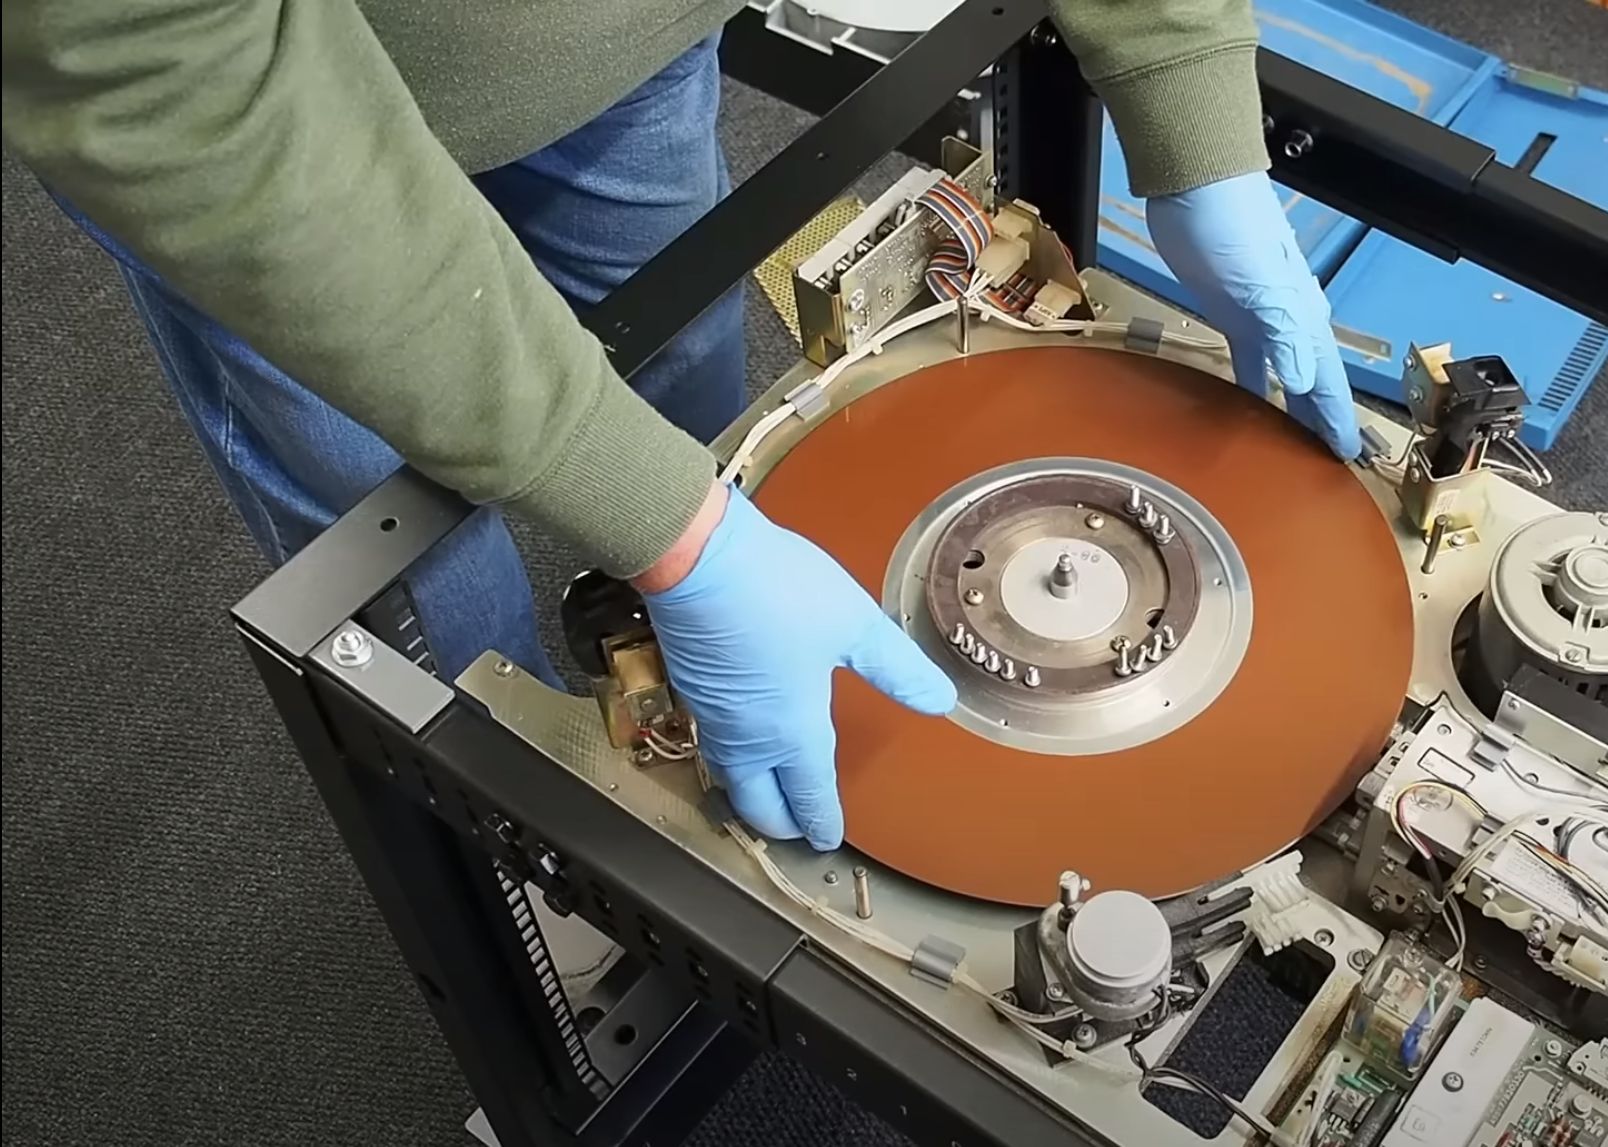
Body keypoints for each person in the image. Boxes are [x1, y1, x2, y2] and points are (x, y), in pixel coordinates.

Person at [3, 1, 1361, 852]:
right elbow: (149, 60)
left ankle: (660, 631)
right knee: (418, 574)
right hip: (260, 143)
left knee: (695, 367)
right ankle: (539, 846)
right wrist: (680, 534)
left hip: (625, 46)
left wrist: (1189, 100)